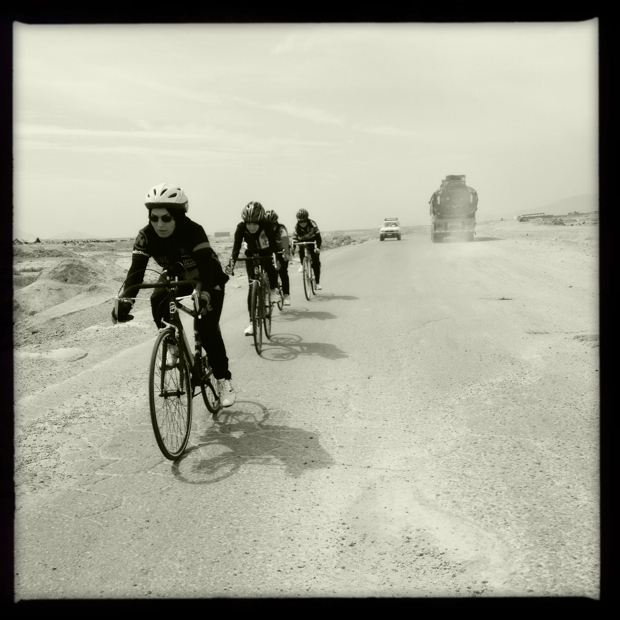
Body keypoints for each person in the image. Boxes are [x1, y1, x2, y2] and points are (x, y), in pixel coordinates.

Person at [111, 182, 236, 407]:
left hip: (207, 276)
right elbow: (136, 272)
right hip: (178, 275)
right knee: (157, 298)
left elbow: (206, 268)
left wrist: (205, 293)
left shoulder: (193, 230)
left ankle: (222, 378)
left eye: (166, 218)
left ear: (178, 216)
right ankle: (172, 344)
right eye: (154, 218)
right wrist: (125, 301)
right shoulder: (145, 236)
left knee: (207, 328)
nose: (159, 224)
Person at [226, 201, 279, 336]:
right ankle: (252, 322)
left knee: (270, 265)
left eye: (255, 223)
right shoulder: (240, 227)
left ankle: (272, 290)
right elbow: (236, 247)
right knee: (252, 286)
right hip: (251, 253)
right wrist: (232, 263)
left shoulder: (266, 224)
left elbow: (273, 243)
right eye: (249, 223)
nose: (252, 227)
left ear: (260, 221)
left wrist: (275, 257)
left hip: (265, 250)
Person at [264, 209, 292, 306]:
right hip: (270, 252)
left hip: (281, 251)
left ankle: (286, 295)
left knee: (283, 272)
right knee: (270, 272)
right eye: (269, 224)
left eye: (273, 224)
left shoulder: (281, 229)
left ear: (276, 222)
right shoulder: (264, 229)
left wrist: (286, 253)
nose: (271, 226)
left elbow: (285, 242)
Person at [292, 208, 322, 290]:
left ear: (307, 219)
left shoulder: (312, 224)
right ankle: (302, 263)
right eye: (300, 221)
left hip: (312, 240)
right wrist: (292, 250)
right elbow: (294, 239)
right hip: (302, 241)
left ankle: (317, 283)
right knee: (301, 247)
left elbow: (318, 237)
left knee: (316, 262)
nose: (303, 223)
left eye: (304, 221)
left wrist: (318, 247)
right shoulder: (296, 227)